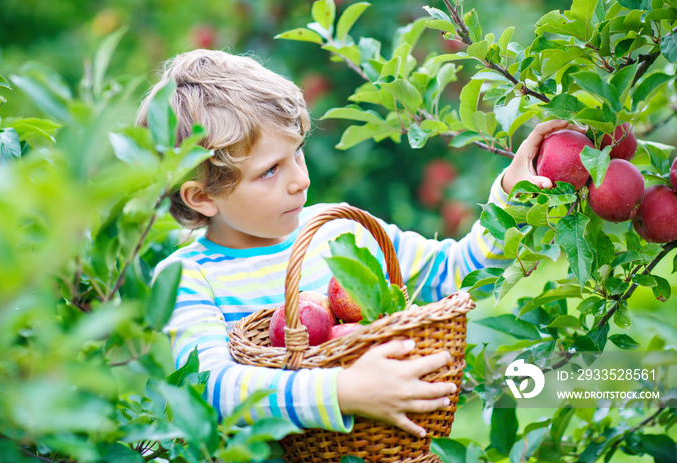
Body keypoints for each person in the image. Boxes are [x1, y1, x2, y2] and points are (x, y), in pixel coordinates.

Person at [137, 49, 578, 441]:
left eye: (299, 153)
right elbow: (212, 388)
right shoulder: (187, 277)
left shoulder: (340, 234)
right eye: (271, 170)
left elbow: (456, 275)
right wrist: (343, 392)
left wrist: (510, 196)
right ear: (202, 197)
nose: (301, 180)